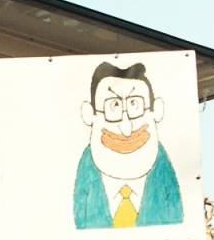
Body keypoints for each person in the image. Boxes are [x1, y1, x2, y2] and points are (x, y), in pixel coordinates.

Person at [73, 61, 184, 229]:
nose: (126, 128)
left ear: (156, 110)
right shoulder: (75, 191)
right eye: (113, 106)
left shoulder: (170, 190)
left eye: (135, 104)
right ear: (89, 114)